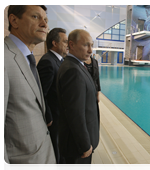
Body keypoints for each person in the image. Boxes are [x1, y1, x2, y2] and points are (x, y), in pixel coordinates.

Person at [4, 5, 57, 170]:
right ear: (14, 20)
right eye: (36, 17)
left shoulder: (27, 58)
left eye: (46, 20)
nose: (44, 24)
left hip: (41, 159)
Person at [56, 29, 100, 170]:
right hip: (77, 147)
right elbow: (75, 114)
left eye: (91, 45)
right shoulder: (72, 70)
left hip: (78, 143)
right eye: (86, 45)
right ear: (72, 45)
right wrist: (85, 145)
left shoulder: (77, 66)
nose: (90, 50)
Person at [37, 27, 68, 169]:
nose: (67, 45)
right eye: (65, 42)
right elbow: (40, 93)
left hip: (60, 116)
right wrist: (48, 117)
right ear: (55, 43)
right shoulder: (48, 62)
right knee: (55, 149)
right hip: (54, 118)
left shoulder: (59, 61)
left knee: (60, 148)